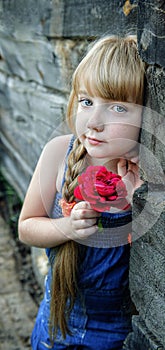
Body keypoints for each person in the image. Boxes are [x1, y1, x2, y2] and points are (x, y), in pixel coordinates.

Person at [18, 34, 145, 349]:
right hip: (56, 323)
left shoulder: (145, 176)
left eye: (117, 108)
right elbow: (26, 227)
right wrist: (66, 227)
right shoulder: (58, 153)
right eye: (87, 101)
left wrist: (136, 205)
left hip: (116, 334)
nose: (94, 121)